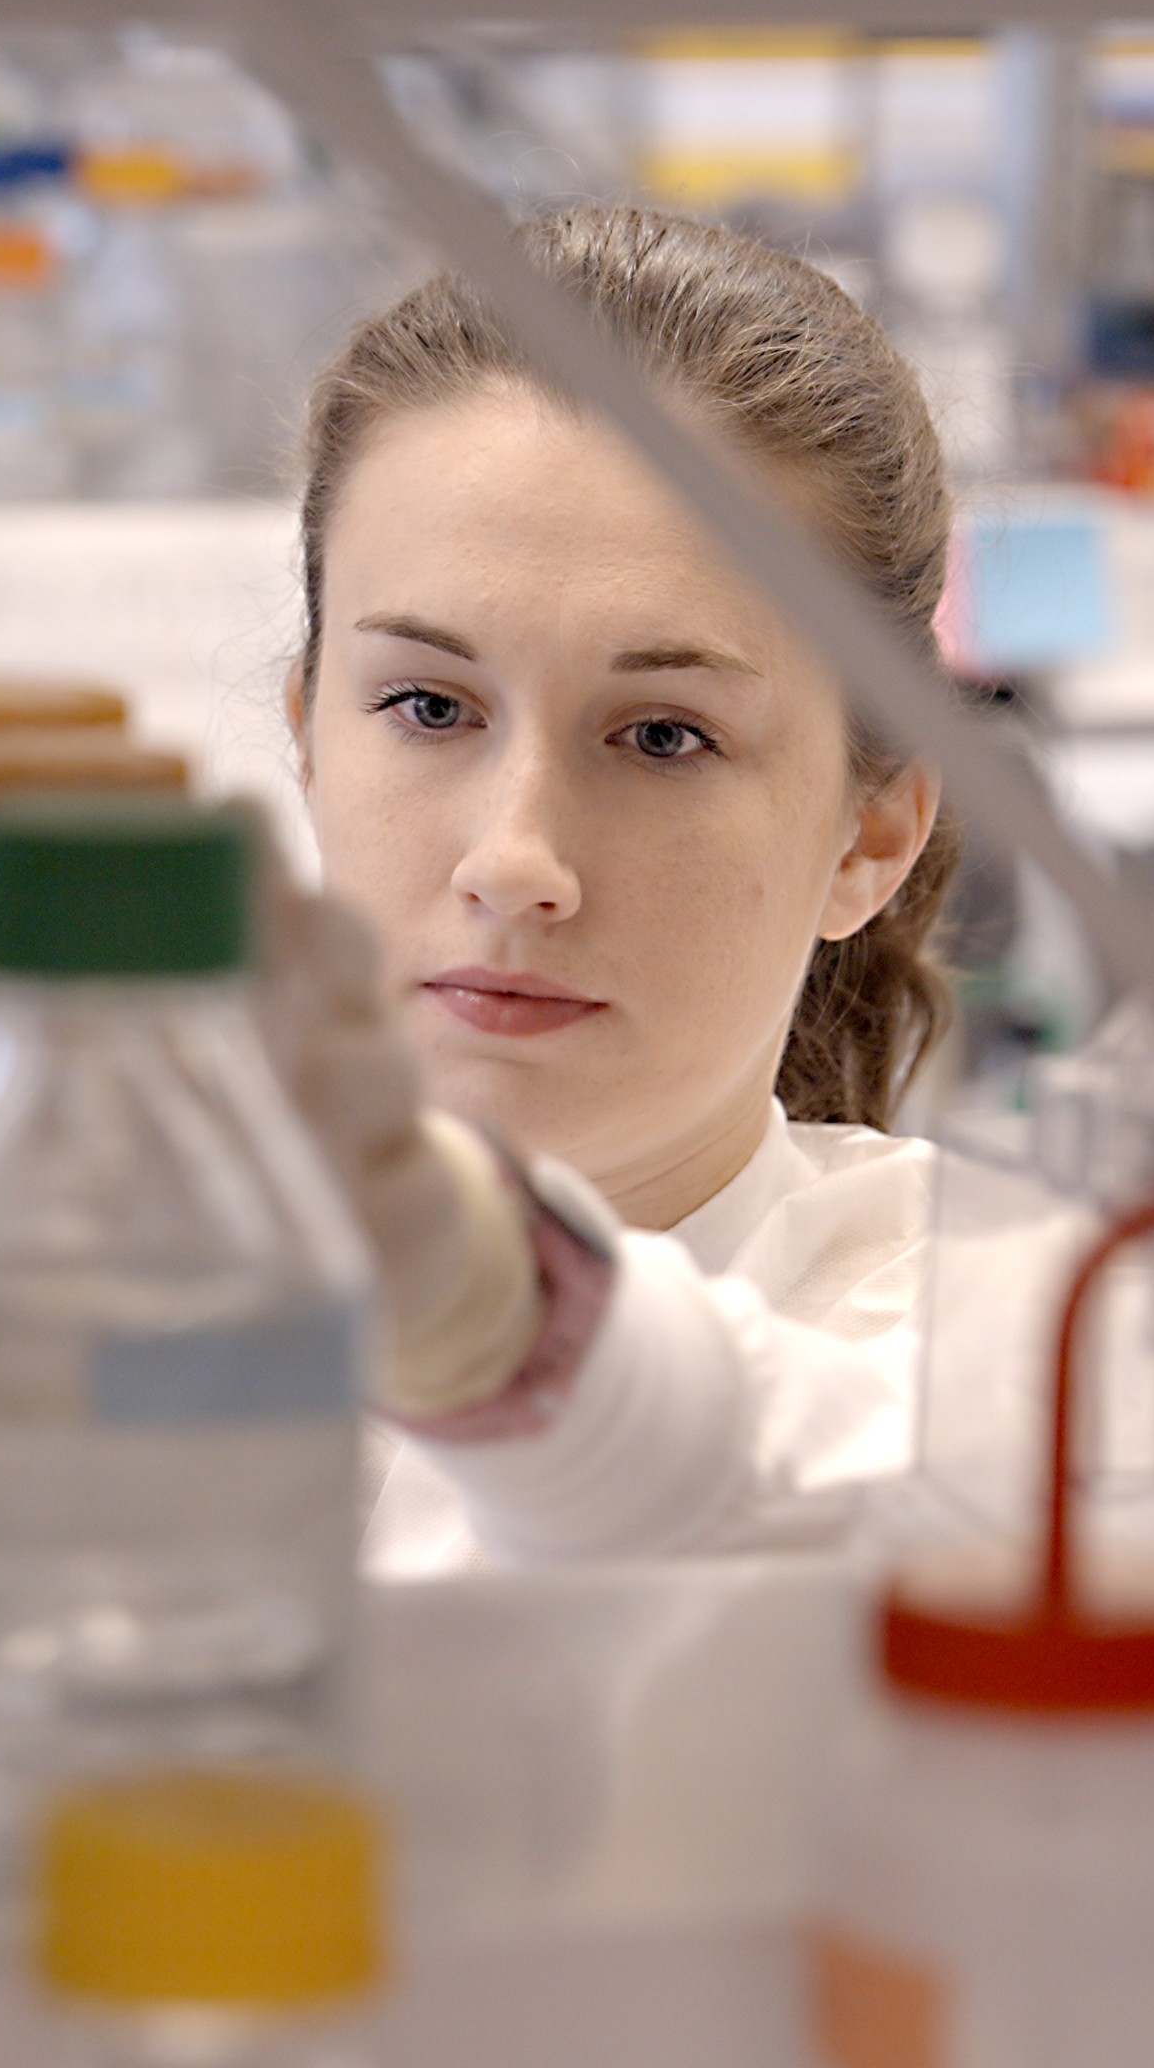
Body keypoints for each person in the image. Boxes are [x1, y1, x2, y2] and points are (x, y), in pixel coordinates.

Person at [262, 204, 964, 1574]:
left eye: (663, 736)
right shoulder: (82, 1295)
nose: (513, 859)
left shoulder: (999, 1364)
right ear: (305, 735)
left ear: (869, 832)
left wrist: (513, 1313)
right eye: (426, 705)